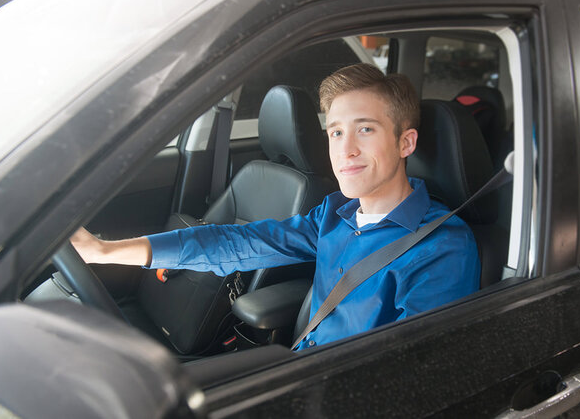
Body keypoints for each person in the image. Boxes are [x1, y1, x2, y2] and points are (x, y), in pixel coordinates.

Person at [71, 63, 480, 351]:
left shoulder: (443, 247)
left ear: (405, 143)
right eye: (336, 132)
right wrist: (105, 252)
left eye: (365, 130)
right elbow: (236, 244)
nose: (346, 150)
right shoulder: (334, 214)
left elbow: (419, 374)